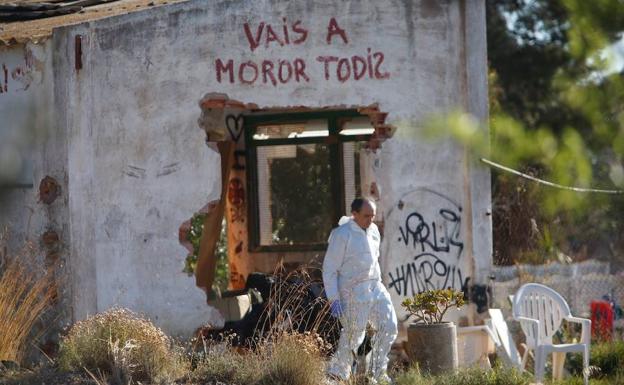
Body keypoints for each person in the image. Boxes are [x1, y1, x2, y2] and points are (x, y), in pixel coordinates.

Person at [322, 198, 398, 384]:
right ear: (354, 214)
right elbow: (330, 268)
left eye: (373, 216)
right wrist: (334, 299)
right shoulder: (342, 234)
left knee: (389, 327)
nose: (370, 220)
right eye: (366, 216)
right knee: (354, 334)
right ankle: (337, 375)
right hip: (352, 290)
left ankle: (377, 374)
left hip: (375, 286)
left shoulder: (373, 232)